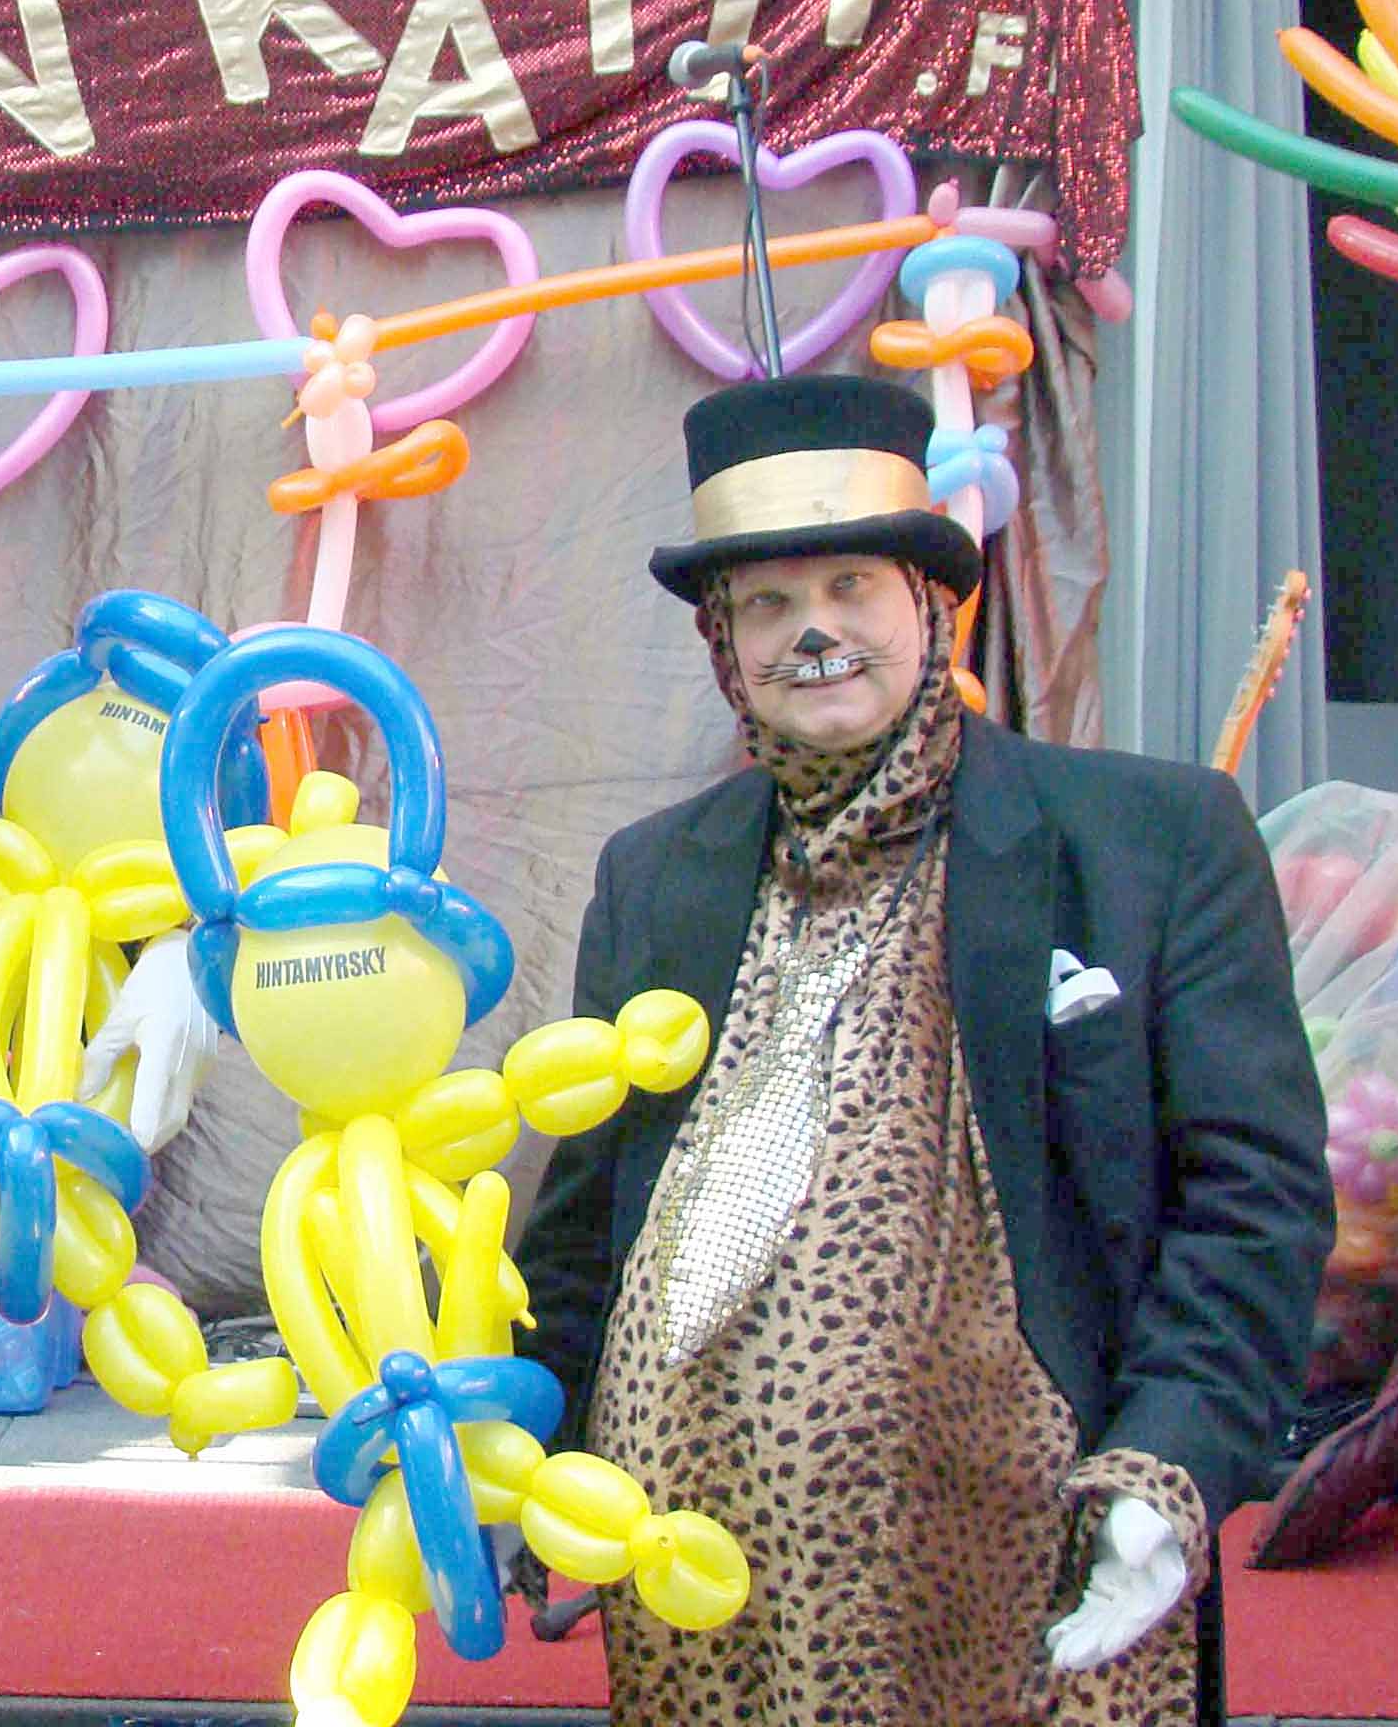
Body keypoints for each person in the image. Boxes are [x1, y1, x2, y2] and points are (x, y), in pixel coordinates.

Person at [514, 376, 1330, 1726]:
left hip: (1023, 1563)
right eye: (767, 603)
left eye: (851, 586)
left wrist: (1171, 1464)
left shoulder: (1150, 839)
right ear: (723, 644)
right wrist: (524, 1443)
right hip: (703, 1592)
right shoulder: (655, 874)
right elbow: (586, 1213)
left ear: (929, 603)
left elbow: (1256, 1199)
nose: (815, 631)